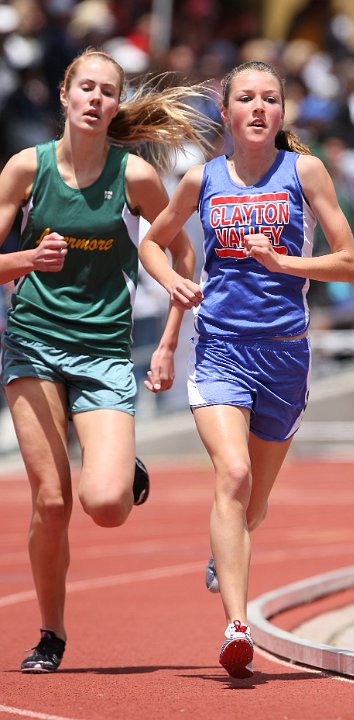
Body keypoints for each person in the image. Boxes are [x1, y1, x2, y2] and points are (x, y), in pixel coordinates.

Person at [139, 60, 354, 679]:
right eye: (246, 99)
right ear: (228, 114)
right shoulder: (202, 179)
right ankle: (238, 626)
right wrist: (175, 282)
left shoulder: (305, 172)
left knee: (252, 504)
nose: (258, 108)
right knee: (231, 473)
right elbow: (152, 241)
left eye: (270, 99)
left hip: (285, 355)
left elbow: (348, 262)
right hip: (220, 350)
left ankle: (225, 548)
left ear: (282, 114)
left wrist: (287, 265)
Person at [0, 48, 212, 673]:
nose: (95, 99)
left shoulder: (135, 177)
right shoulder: (24, 170)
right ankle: (51, 634)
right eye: (85, 87)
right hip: (33, 344)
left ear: (117, 104)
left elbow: (184, 258)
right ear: (65, 94)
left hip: (102, 352)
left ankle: (122, 469)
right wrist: (25, 262)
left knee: (108, 506)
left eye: (108, 91)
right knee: (51, 500)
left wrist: (171, 337)